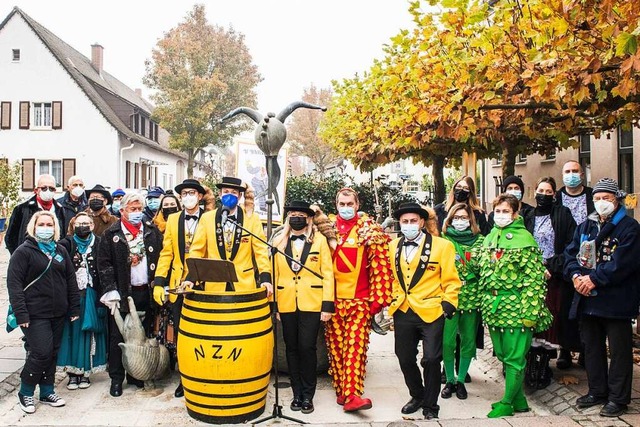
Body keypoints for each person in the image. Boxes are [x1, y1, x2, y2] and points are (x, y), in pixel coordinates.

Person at [564, 178, 640, 418]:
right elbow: (571, 253)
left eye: (606, 198)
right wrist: (576, 275)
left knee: (619, 351)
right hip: (587, 299)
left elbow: (623, 264)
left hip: (616, 299)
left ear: (616, 199)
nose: (601, 203)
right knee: (591, 348)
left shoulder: (630, 227)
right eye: (597, 198)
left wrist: (593, 279)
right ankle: (597, 391)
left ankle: (618, 398)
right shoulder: (586, 225)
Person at [471, 193, 551, 418]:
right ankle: (520, 401)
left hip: (516, 307)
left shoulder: (525, 240)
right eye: (498, 211)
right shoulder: (490, 237)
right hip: (494, 308)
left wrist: (530, 311)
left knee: (515, 356)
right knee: (503, 354)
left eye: (506, 211)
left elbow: (534, 280)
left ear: (516, 214)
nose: (501, 215)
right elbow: (482, 271)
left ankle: (507, 402)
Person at [388, 202, 461, 420]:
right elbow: (393, 277)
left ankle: (431, 405)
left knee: (431, 359)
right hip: (403, 309)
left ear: (421, 222)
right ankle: (417, 395)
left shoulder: (442, 246)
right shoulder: (393, 246)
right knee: (404, 357)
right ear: (399, 223)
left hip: (432, 309)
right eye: (404, 221)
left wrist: (448, 303)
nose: (409, 225)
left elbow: (451, 280)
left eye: (413, 221)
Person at [325, 187, 392, 412]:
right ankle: (342, 391)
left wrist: (378, 300)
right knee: (336, 349)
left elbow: (381, 266)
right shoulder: (327, 228)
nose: (346, 208)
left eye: (349, 204)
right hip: (332, 302)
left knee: (355, 347)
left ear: (357, 204)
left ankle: (353, 395)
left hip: (360, 301)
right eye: (341, 204)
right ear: (336, 206)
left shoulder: (369, 229)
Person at [7, 211, 80, 414]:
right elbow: (14, 285)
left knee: (52, 352)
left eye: (50, 224)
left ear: (55, 228)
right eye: (42, 224)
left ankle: (47, 391)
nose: (46, 228)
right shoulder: (24, 251)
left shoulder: (60, 250)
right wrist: (21, 314)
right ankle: (26, 392)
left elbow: (70, 280)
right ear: (34, 226)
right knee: (41, 352)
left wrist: (74, 307)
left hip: (58, 311)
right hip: (34, 313)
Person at [271, 200, 335, 414]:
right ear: (288, 218)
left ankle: (308, 394)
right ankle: (296, 393)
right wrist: (276, 306)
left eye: (301, 214)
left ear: (308, 218)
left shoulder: (319, 241)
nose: (297, 217)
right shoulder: (279, 241)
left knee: (307, 348)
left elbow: (328, 273)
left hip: (312, 302)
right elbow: (274, 274)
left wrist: (327, 305)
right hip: (287, 302)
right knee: (291, 348)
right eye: (293, 214)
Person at [98, 192, 164, 397]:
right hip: (123, 293)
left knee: (142, 335)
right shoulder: (111, 234)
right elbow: (104, 265)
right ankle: (116, 378)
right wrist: (111, 290)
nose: (136, 213)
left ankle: (136, 374)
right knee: (119, 336)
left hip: (146, 290)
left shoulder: (152, 231)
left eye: (139, 209)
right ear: (122, 210)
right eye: (132, 209)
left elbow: (161, 258)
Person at [153, 178, 207, 398]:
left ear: (200, 196)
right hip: (177, 284)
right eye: (184, 193)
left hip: (203, 285)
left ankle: (204, 375)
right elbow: (167, 253)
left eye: (192, 192)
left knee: (203, 333)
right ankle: (185, 379)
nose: (188, 197)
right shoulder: (173, 219)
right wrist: (159, 281)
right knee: (181, 335)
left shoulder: (210, 218)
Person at [523, 177, 576, 388]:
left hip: (552, 276)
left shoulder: (563, 214)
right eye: (540, 190)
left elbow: (571, 244)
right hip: (529, 276)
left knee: (549, 318)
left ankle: (544, 364)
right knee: (530, 318)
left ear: (554, 194)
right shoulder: (527, 216)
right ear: (534, 192)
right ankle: (530, 364)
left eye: (548, 191)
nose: (543, 194)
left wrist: (552, 264)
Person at [184, 176, 272, 295]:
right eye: (226, 192)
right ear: (220, 194)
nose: (229, 195)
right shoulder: (207, 218)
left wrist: (266, 278)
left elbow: (261, 251)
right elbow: (197, 250)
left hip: (243, 284)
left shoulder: (252, 219)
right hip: (215, 283)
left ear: (240, 196)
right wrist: (191, 277)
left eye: (234, 192)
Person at [57, 212, 108, 390]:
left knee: (90, 331)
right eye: (79, 223)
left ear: (92, 226)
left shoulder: (100, 243)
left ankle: (86, 372)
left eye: (86, 223)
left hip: (93, 295)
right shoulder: (65, 244)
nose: (83, 226)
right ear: (73, 226)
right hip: (72, 296)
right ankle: (72, 373)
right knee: (72, 332)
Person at [440, 203, 484, 401]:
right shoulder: (443, 241)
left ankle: (460, 380)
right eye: (456, 217)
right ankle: (449, 379)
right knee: (448, 341)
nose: (460, 221)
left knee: (468, 340)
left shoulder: (481, 241)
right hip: (449, 296)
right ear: (449, 220)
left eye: (464, 217)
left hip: (472, 295)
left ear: (470, 220)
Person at [5, 174, 64, 254]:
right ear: (36, 190)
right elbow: (10, 237)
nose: (48, 191)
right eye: (44, 188)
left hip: (52, 257)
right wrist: (19, 255)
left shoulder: (60, 209)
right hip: (27, 257)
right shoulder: (22, 209)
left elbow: (63, 235)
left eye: (51, 188)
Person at [556, 160, 594, 227]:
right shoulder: (556, 198)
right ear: (563, 176)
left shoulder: (593, 195)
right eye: (567, 171)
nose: (571, 174)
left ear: (582, 175)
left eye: (575, 171)